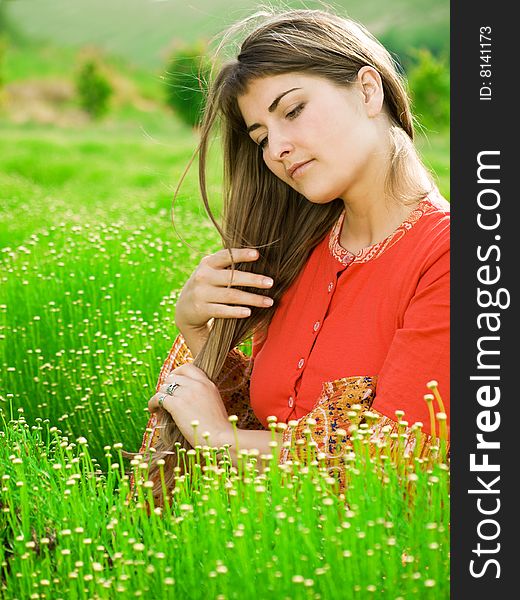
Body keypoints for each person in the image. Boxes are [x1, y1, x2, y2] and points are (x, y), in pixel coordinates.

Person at [136, 8, 450, 501]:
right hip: (258, 554)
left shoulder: (450, 258)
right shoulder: (295, 252)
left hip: (374, 569)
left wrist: (223, 440)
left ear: (369, 90)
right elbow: (264, 416)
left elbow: (397, 469)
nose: (277, 147)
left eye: (293, 110)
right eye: (260, 136)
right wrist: (199, 332)